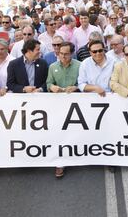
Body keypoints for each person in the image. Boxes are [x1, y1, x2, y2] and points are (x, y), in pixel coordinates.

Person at [46, 41, 80, 178]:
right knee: (59, 133)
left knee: (75, 132)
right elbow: (48, 82)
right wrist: (51, 87)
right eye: (61, 54)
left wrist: (76, 87)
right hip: (58, 105)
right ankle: (59, 163)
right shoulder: (52, 66)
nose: (63, 56)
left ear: (72, 54)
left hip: (76, 105)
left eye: (66, 54)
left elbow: (83, 82)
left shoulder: (80, 66)